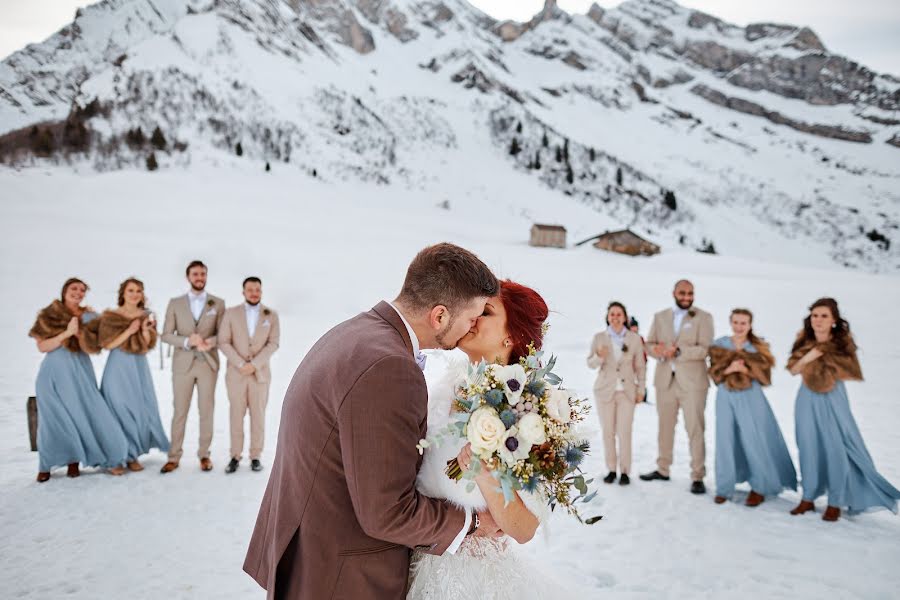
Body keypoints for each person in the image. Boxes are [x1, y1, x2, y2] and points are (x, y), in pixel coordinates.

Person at [244, 243, 501, 599]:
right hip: (339, 574)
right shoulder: (390, 367)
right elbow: (386, 512)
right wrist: (473, 523)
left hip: (312, 551)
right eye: (471, 318)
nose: (472, 327)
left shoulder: (357, 332)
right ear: (439, 316)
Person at [409, 280, 569, 599]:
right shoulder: (445, 383)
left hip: (472, 582)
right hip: (415, 565)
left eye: (486, 311)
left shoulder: (530, 410)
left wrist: (485, 475)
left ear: (512, 335)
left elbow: (523, 530)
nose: (472, 315)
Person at [787, 298, 900, 522]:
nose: (818, 320)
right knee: (807, 444)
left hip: (832, 397)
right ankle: (808, 496)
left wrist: (828, 356)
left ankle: (835, 501)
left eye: (824, 316)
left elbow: (852, 371)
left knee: (835, 447)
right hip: (806, 397)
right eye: (815, 315)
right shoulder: (804, 340)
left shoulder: (842, 344)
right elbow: (793, 368)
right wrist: (812, 354)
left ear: (834, 320)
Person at [29, 278, 128, 481]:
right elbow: (42, 346)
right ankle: (46, 464)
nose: (78, 292)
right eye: (74, 288)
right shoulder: (49, 314)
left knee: (85, 411)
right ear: (64, 290)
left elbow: (108, 332)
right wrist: (67, 333)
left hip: (80, 370)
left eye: (82, 290)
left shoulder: (89, 315)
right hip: (53, 372)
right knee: (53, 419)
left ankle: (76, 460)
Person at [708, 309, 796, 505]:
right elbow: (714, 374)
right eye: (736, 322)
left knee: (753, 439)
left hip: (751, 396)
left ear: (750, 325)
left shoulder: (757, 348)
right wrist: (730, 368)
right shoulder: (719, 345)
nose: (739, 327)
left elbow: (766, 379)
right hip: (725, 396)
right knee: (725, 439)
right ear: (731, 322)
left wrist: (747, 369)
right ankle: (724, 486)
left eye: (743, 323)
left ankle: (760, 486)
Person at [640, 280, 714, 494]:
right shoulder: (660, 316)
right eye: (682, 292)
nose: (686, 297)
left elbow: (706, 348)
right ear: (674, 293)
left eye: (690, 293)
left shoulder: (703, 317)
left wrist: (679, 351)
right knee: (664, 428)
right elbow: (649, 345)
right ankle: (663, 469)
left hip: (693, 383)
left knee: (695, 428)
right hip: (665, 381)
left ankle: (698, 475)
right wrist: (659, 350)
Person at [97, 277, 170, 471]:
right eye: (131, 290)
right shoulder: (111, 316)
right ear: (123, 293)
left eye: (138, 291)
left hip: (138, 367)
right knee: (117, 409)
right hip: (117, 367)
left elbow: (147, 347)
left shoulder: (146, 315)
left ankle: (132, 454)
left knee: (138, 410)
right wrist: (129, 331)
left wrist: (145, 331)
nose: (135, 294)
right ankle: (116, 456)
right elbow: (107, 344)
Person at [160, 260, 225, 473]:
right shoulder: (175, 303)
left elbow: (223, 333)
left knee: (207, 410)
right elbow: (166, 335)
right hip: (183, 365)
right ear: (188, 277)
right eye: (195, 274)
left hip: (208, 364)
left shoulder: (218, 303)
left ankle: (204, 455)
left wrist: (210, 343)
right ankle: (174, 456)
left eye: (203, 274)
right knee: (180, 411)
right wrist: (188, 341)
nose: (200, 277)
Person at [219, 277, 280, 474]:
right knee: (236, 415)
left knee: (258, 415)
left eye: (257, 289)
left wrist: (254, 364)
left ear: (261, 291)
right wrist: (239, 363)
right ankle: (235, 456)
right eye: (250, 289)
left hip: (260, 375)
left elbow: (273, 343)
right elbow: (224, 341)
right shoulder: (230, 314)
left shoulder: (271, 315)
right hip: (236, 375)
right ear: (243, 291)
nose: (254, 292)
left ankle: (255, 456)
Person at [587, 301, 646, 485]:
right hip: (605, 391)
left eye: (619, 314)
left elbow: (640, 367)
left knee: (625, 432)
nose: (615, 317)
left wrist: (641, 390)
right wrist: (599, 356)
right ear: (608, 317)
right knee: (608, 432)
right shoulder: (599, 338)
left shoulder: (635, 339)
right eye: (612, 314)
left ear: (625, 317)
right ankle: (611, 470)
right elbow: (590, 363)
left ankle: (625, 472)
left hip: (627, 392)